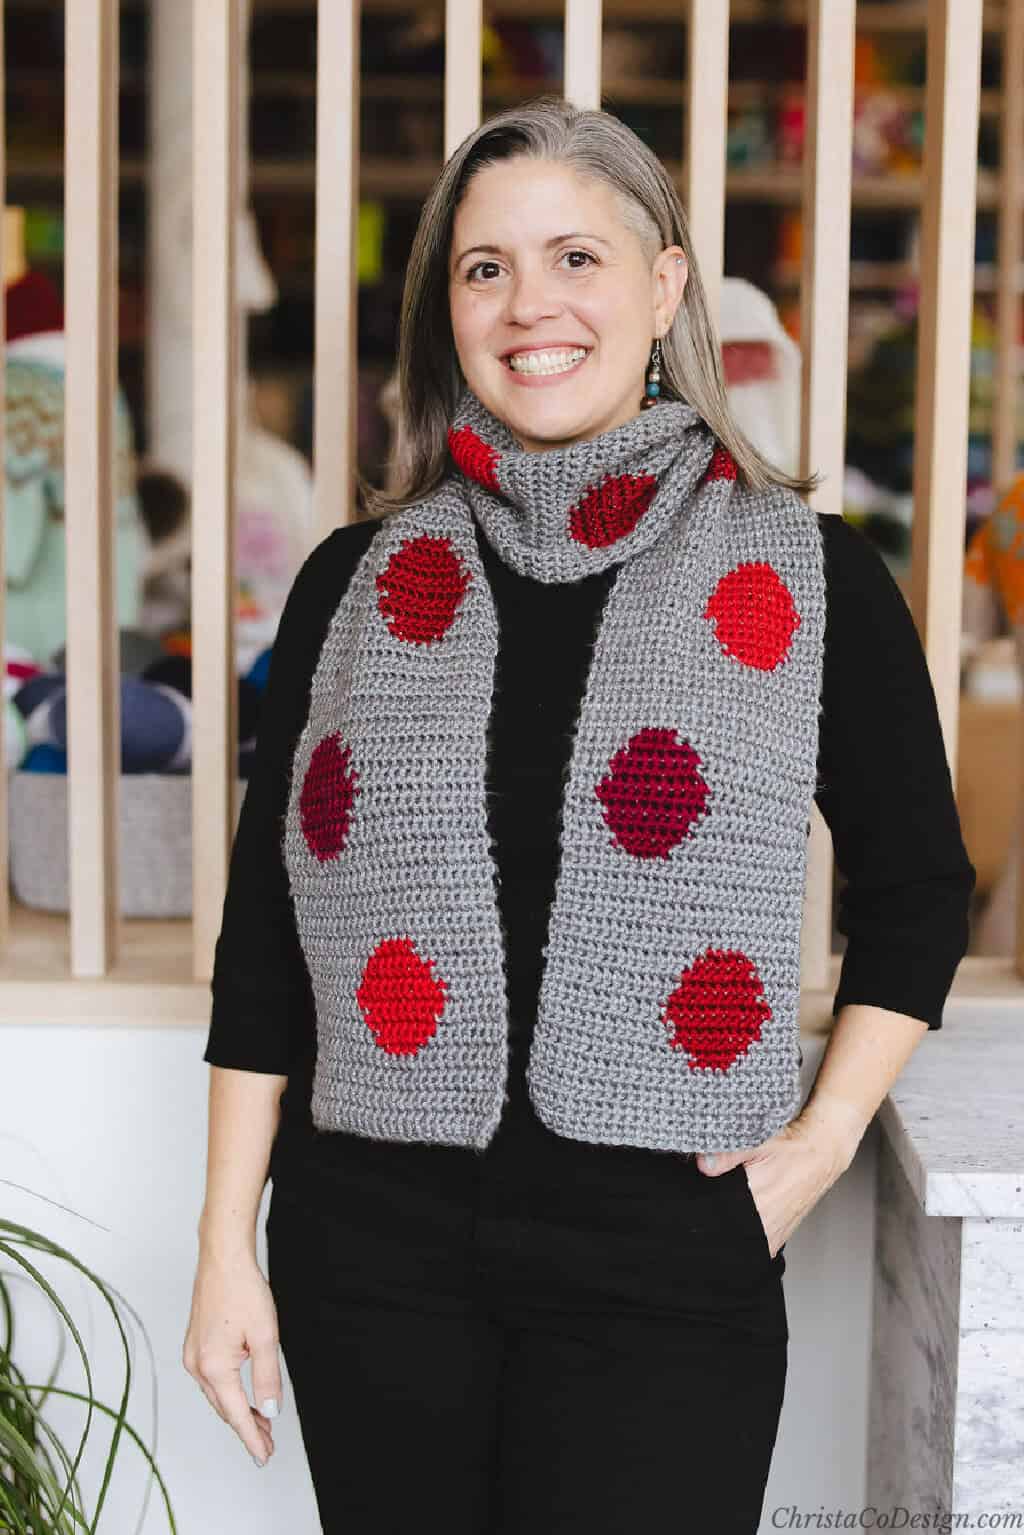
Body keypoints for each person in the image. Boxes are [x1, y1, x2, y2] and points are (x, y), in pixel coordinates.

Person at [183, 96, 976, 1533]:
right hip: (373, 1245)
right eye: (486, 269)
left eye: (575, 259)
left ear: (663, 284)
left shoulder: (806, 577)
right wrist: (223, 1249)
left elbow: (920, 891)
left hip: (664, 1252)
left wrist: (809, 1155)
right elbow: (266, 939)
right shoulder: (353, 585)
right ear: (448, 310)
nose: (528, 306)